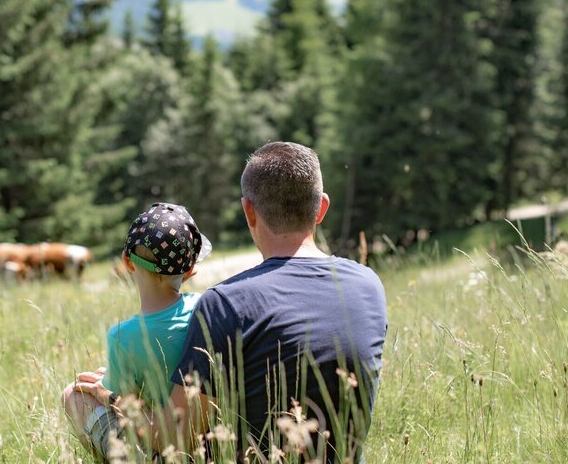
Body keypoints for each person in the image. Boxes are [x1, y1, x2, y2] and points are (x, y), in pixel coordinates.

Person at [74, 142, 388, 463]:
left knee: (77, 399)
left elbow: (176, 435)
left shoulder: (226, 303)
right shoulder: (368, 285)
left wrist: (110, 396)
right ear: (321, 208)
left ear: (248, 211)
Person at [62, 202, 211, 460]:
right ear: (190, 271)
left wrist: (104, 390)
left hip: (158, 443)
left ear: (127, 263)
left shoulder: (122, 337)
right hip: (210, 444)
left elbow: (127, 404)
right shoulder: (205, 308)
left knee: (73, 395)